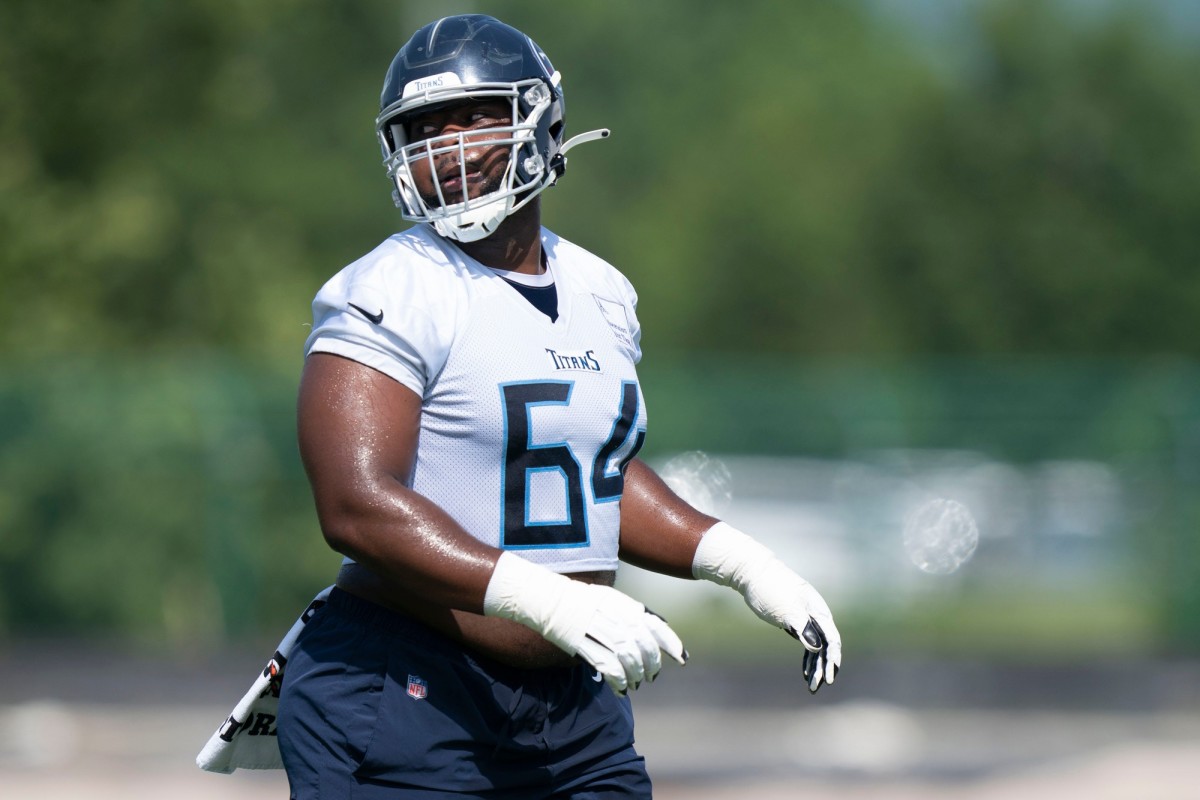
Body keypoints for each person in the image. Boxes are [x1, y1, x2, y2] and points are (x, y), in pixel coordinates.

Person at [276, 13, 842, 799]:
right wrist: (546, 598)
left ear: (540, 120)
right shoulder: (390, 289)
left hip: (570, 703)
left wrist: (744, 565)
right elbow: (356, 506)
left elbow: (589, 470)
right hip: (406, 684)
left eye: (475, 118)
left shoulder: (601, 292)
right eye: (427, 127)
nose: (451, 146)